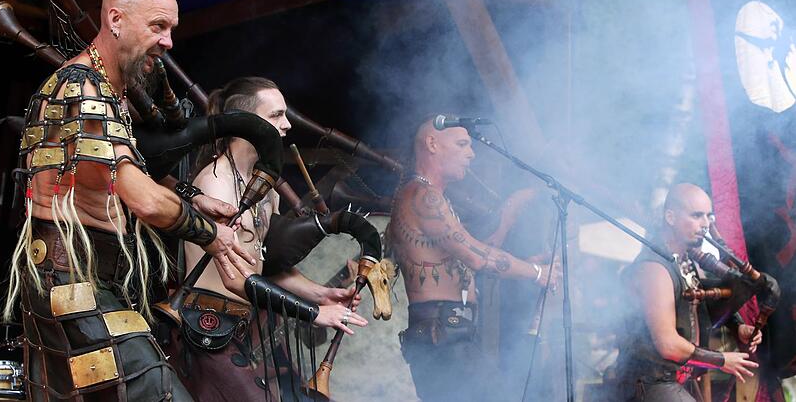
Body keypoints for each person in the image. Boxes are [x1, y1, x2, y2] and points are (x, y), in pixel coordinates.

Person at [5, 0, 257, 401]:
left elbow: (129, 175)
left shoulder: (107, 91)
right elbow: (141, 199)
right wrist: (211, 235)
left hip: (89, 280)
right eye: (158, 26)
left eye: (172, 29)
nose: (169, 41)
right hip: (70, 283)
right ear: (116, 19)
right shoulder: (81, 87)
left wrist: (191, 198)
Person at [162, 77, 368, 401]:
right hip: (210, 333)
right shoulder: (216, 184)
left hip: (244, 330)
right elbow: (236, 279)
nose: (287, 124)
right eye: (276, 115)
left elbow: (265, 265)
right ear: (246, 123)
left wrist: (323, 294)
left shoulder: (266, 190)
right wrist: (313, 313)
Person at [388, 117, 558, 402]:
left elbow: (479, 249)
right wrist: (538, 272)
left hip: (450, 334)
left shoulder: (433, 197)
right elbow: (479, 257)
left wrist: (517, 203)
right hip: (441, 335)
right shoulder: (424, 197)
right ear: (432, 144)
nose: (472, 153)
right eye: (462, 144)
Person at [618, 183, 761, 401]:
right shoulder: (655, 268)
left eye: (708, 216)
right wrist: (721, 359)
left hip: (676, 379)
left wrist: (738, 326)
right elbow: (667, 344)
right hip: (650, 383)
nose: (705, 224)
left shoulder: (685, 261)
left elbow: (700, 306)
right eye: (696, 215)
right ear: (670, 217)